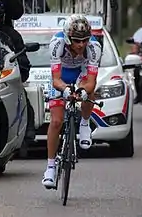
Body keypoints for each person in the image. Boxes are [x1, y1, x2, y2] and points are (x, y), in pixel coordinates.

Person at [42, 14, 102, 188]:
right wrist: (66, 90)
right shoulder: (57, 44)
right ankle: (50, 168)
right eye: (77, 41)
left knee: (89, 92)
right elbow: (55, 79)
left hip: (82, 73)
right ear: (68, 38)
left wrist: (82, 91)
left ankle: (84, 124)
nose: (81, 45)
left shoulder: (94, 47)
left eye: (85, 40)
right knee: (56, 121)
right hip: (62, 75)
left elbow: (91, 81)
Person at [0, 0, 35, 141]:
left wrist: (19, 72)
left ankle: (26, 129)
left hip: (0, 76)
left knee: (20, 95)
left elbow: (22, 60)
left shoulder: (10, 35)